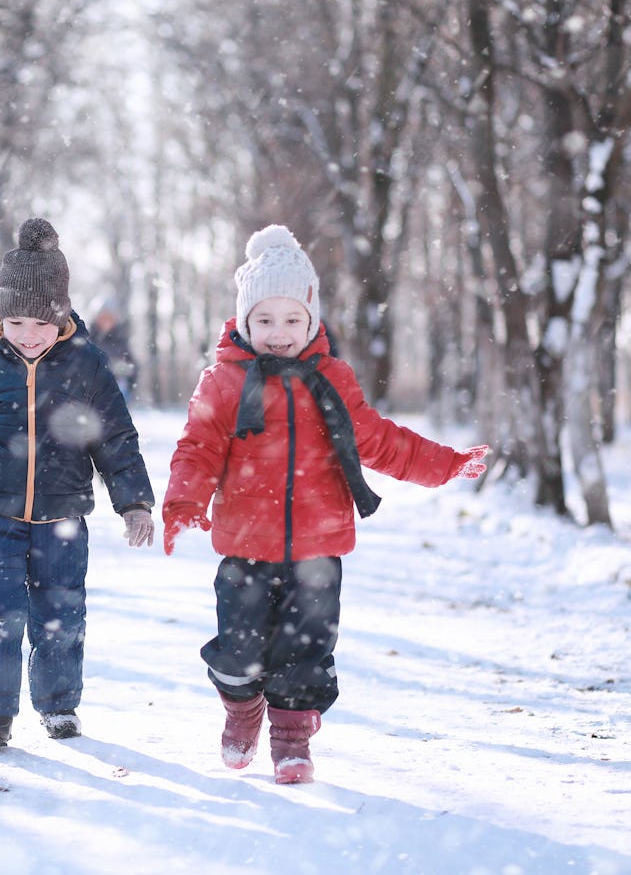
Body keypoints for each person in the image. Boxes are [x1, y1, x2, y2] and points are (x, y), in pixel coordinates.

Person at [161, 224, 488, 784]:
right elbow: (197, 448)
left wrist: (445, 463)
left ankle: (291, 742)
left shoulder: (331, 378)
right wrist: (182, 502)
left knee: (305, 652)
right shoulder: (223, 383)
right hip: (244, 545)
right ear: (243, 321)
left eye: (292, 319)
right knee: (238, 650)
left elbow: (378, 439)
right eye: (264, 320)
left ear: (311, 318)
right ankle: (241, 709)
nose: (279, 333)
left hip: (318, 548)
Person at [0, 217, 157, 750]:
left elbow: (115, 436)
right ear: (0, 315)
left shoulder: (86, 364)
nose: (27, 334)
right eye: (15, 321)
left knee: (61, 612)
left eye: (40, 323)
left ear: (61, 316)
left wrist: (133, 501)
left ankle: (59, 704)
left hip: (63, 515)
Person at [88, 297, 139, 402]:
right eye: (103, 317)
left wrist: (125, 372)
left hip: (116, 393)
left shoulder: (120, 341)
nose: (106, 321)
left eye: (110, 317)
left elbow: (134, 368)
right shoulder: (87, 339)